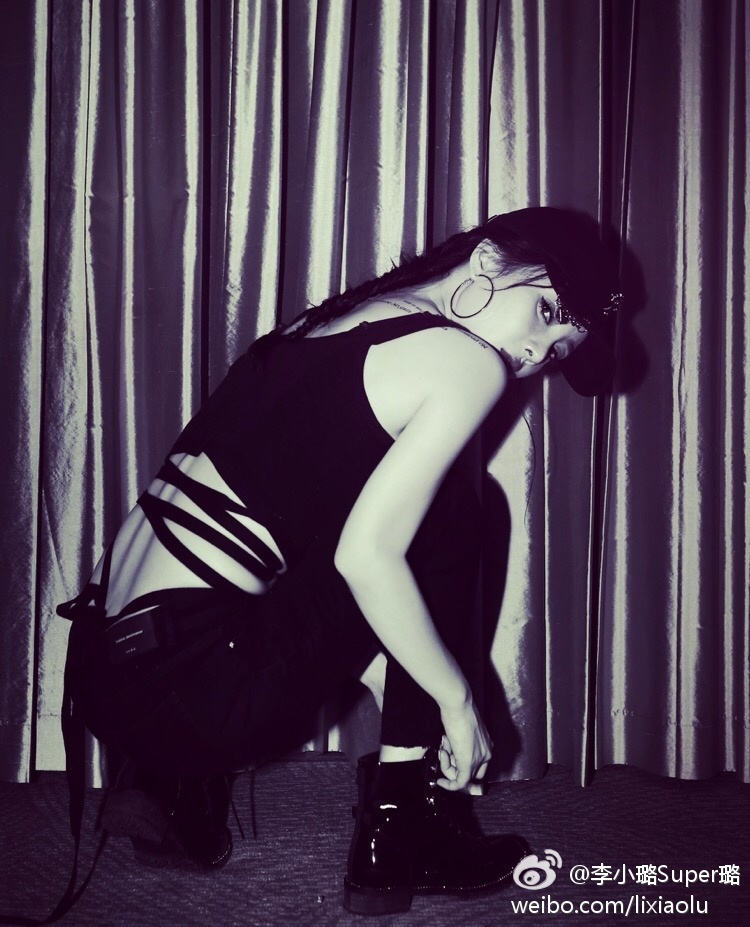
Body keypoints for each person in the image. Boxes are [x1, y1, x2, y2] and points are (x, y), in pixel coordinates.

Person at [59, 206, 621, 916]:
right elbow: (365, 557)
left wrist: (390, 676)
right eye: (546, 311)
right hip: (199, 689)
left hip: (107, 670)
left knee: (395, 510)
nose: (537, 354)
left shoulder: (326, 324)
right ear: (486, 261)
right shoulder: (465, 362)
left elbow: (306, 542)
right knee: (458, 508)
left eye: (559, 349)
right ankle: (401, 827)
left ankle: (168, 783)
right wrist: (455, 703)